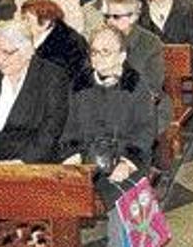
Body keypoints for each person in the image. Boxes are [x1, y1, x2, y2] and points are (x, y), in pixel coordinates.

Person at [58, 25, 157, 246]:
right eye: (94, 52)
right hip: (86, 156)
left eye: (106, 52)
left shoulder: (136, 86)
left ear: (121, 56)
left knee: (121, 201)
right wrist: (72, 154)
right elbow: (69, 127)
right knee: (56, 194)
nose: (98, 58)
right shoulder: (80, 83)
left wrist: (127, 163)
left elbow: (145, 131)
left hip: (125, 157)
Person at [0, 20, 70, 163]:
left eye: (7, 52)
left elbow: (51, 130)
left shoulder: (51, 77)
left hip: (35, 163)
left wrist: (23, 162)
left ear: (27, 50)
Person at [103, 0, 171, 133]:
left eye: (116, 17)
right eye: (107, 16)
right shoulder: (101, 39)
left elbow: (153, 85)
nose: (110, 21)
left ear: (133, 17)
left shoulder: (150, 43)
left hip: (146, 105)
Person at [19, 0, 90, 79]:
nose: (23, 24)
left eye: (27, 19)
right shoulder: (56, 33)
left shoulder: (66, 43)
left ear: (45, 22)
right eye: (23, 19)